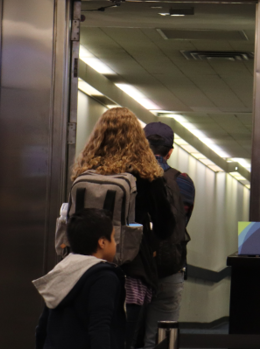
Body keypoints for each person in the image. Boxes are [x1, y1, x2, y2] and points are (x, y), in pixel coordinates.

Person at [72, 107, 175, 349]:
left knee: (86, 335)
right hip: (131, 269)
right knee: (123, 339)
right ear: (139, 138)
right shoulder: (147, 175)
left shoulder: (84, 172)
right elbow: (165, 227)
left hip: (82, 269)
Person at [34, 209, 126, 349]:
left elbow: (42, 327)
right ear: (102, 242)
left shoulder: (62, 270)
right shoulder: (104, 277)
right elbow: (100, 329)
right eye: (113, 238)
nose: (115, 244)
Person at [141, 121, 196, 349]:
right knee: (160, 340)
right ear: (170, 151)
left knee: (124, 332)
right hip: (169, 268)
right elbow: (179, 223)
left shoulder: (128, 176)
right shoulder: (182, 182)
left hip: (133, 269)